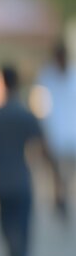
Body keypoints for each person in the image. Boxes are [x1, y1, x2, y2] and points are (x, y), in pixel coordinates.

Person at [0, 65, 63, 256]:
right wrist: (57, 182)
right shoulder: (27, 115)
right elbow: (45, 151)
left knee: (8, 234)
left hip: (3, 184)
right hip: (23, 183)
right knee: (24, 236)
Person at [36, 40, 76, 220]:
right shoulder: (47, 77)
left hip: (71, 134)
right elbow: (41, 105)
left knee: (68, 173)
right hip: (54, 135)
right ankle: (60, 200)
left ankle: (63, 199)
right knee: (57, 173)